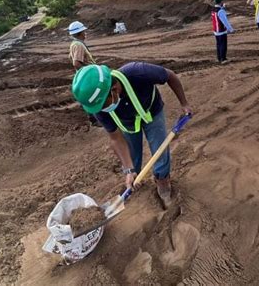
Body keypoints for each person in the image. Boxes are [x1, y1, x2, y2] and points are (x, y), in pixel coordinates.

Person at [71, 62, 192, 207]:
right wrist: (129, 169)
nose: (102, 109)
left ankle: (163, 182)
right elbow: (115, 138)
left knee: (159, 149)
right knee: (132, 159)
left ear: (114, 89)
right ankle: (135, 179)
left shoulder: (138, 72)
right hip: (127, 122)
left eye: (103, 105)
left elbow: (170, 76)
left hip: (151, 112)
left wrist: (184, 104)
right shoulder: (98, 108)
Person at [67, 21, 100, 126]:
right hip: (87, 76)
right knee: (94, 97)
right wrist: (88, 74)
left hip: (85, 74)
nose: (85, 33)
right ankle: (95, 120)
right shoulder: (78, 45)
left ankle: (95, 119)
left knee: (92, 96)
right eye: (84, 31)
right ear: (80, 33)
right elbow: (76, 63)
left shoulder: (75, 44)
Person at [212, 0, 235, 65]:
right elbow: (225, 21)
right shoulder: (221, 11)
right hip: (221, 31)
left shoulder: (214, 9)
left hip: (216, 31)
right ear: (221, 1)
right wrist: (231, 29)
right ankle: (223, 59)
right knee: (223, 45)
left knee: (218, 45)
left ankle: (219, 58)